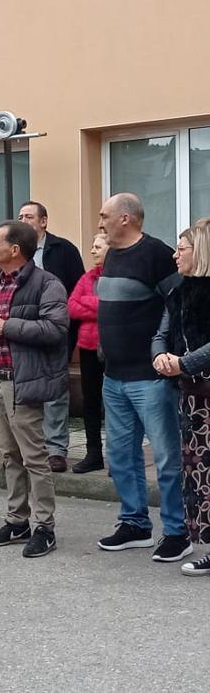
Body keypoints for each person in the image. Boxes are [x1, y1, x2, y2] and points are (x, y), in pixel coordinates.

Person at [96, 193, 189, 562]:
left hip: (149, 378)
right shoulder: (114, 255)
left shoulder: (156, 254)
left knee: (167, 458)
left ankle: (178, 531)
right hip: (113, 376)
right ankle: (134, 524)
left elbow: (178, 307)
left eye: (104, 216)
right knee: (121, 456)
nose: (99, 222)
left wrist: (166, 355)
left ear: (126, 218)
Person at [0, 220, 68, 558]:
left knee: (34, 458)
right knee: (9, 455)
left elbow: (56, 328)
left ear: (15, 249)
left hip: (24, 381)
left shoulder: (47, 284)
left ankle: (45, 527)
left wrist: (6, 326)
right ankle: (17, 520)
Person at [152, 224, 210, 574]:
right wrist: (161, 357)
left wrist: (183, 363)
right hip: (191, 399)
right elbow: (160, 332)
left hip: (200, 385)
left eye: (182, 248)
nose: (175, 255)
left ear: (200, 250)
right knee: (200, 475)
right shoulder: (177, 290)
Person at [18, 201, 85, 473]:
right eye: (20, 216)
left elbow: (77, 288)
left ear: (43, 222)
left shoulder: (63, 250)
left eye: (29, 216)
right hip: (21, 331)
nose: (23, 220)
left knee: (56, 391)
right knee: (26, 391)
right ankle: (32, 448)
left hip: (56, 331)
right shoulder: (14, 251)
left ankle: (56, 449)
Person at [67, 232, 108, 474]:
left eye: (98, 246)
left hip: (113, 347)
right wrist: (100, 304)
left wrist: (91, 303)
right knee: (90, 401)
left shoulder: (118, 276)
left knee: (115, 404)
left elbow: (116, 305)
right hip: (88, 347)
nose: (93, 251)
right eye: (92, 246)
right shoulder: (88, 276)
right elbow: (72, 306)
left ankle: (119, 455)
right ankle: (94, 453)